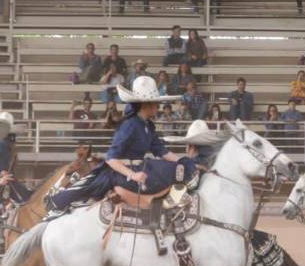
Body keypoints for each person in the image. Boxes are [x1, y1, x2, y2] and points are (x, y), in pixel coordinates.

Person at [48, 76, 195, 214]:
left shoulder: (147, 125)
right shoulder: (129, 125)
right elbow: (111, 158)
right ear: (146, 105)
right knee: (164, 169)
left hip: (137, 168)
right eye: (156, 103)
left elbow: (161, 151)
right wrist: (133, 175)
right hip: (122, 173)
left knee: (175, 167)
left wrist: (184, 162)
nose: (159, 107)